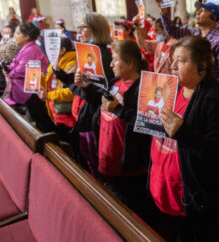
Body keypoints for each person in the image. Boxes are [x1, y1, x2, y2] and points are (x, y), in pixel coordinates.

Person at [145, 36, 219, 241]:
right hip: (164, 184)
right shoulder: (172, 88)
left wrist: (183, 132)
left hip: (193, 194)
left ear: (201, 66)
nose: (174, 65)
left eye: (181, 61)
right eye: (173, 59)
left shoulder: (217, 98)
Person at [87, 40, 150, 216]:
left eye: (115, 59)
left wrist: (119, 110)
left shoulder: (144, 88)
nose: (110, 64)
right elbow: (101, 107)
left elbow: (147, 125)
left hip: (130, 166)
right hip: (108, 156)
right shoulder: (115, 83)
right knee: (117, 208)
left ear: (129, 63)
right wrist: (85, 87)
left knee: (134, 212)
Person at [57, 13, 114, 177]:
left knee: (96, 165)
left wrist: (77, 84)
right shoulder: (89, 52)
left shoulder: (101, 55)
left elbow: (98, 96)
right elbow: (81, 90)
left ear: (95, 30)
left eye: (83, 27)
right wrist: (64, 76)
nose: (79, 31)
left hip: (95, 118)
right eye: (79, 27)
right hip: (87, 114)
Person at [155, 0, 219, 88]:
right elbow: (172, 31)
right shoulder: (193, 33)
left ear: (213, 17)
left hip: (209, 88)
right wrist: (163, 10)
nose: (197, 12)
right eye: (198, 10)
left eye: (202, 10)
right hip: (191, 85)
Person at [4, 23, 52, 132]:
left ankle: (51, 144)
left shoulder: (31, 50)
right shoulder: (26, 47)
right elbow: (16, 64)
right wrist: (9, 68)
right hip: (29, 89)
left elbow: (21, 70)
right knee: (37, 118)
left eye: (18, 33)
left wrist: (9, 73)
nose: (15, 36)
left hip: (33, 91)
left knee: (41, 119)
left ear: (27, 36)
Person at [38, 38, 77, 143]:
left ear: (62, 50)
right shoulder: (54, 63)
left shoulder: (71, 65)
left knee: (71, 145)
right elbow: (49, 85)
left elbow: (71, 93)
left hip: (67, 115)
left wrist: (48, 95)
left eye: (52, 49)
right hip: (56, 112)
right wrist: (37, 76)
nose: (48, 52)